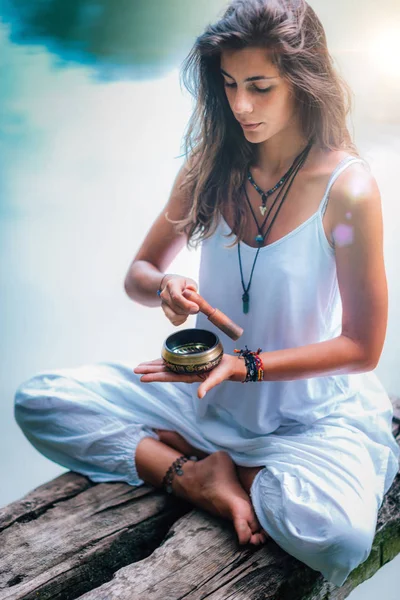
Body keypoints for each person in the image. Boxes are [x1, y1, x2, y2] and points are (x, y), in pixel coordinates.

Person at [14, 0, 399, 588]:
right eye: (228, 86)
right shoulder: (210, 165)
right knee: (39, 400)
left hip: (303, 417)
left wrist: (244, 365)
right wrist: (165, 286)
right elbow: (139, 271)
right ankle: (195, 476)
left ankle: (231, 470)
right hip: (201, 399)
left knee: (340, 539)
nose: (240, 105)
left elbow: (362, 346)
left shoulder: (348, 189)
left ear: (303, 80)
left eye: (259, 87)